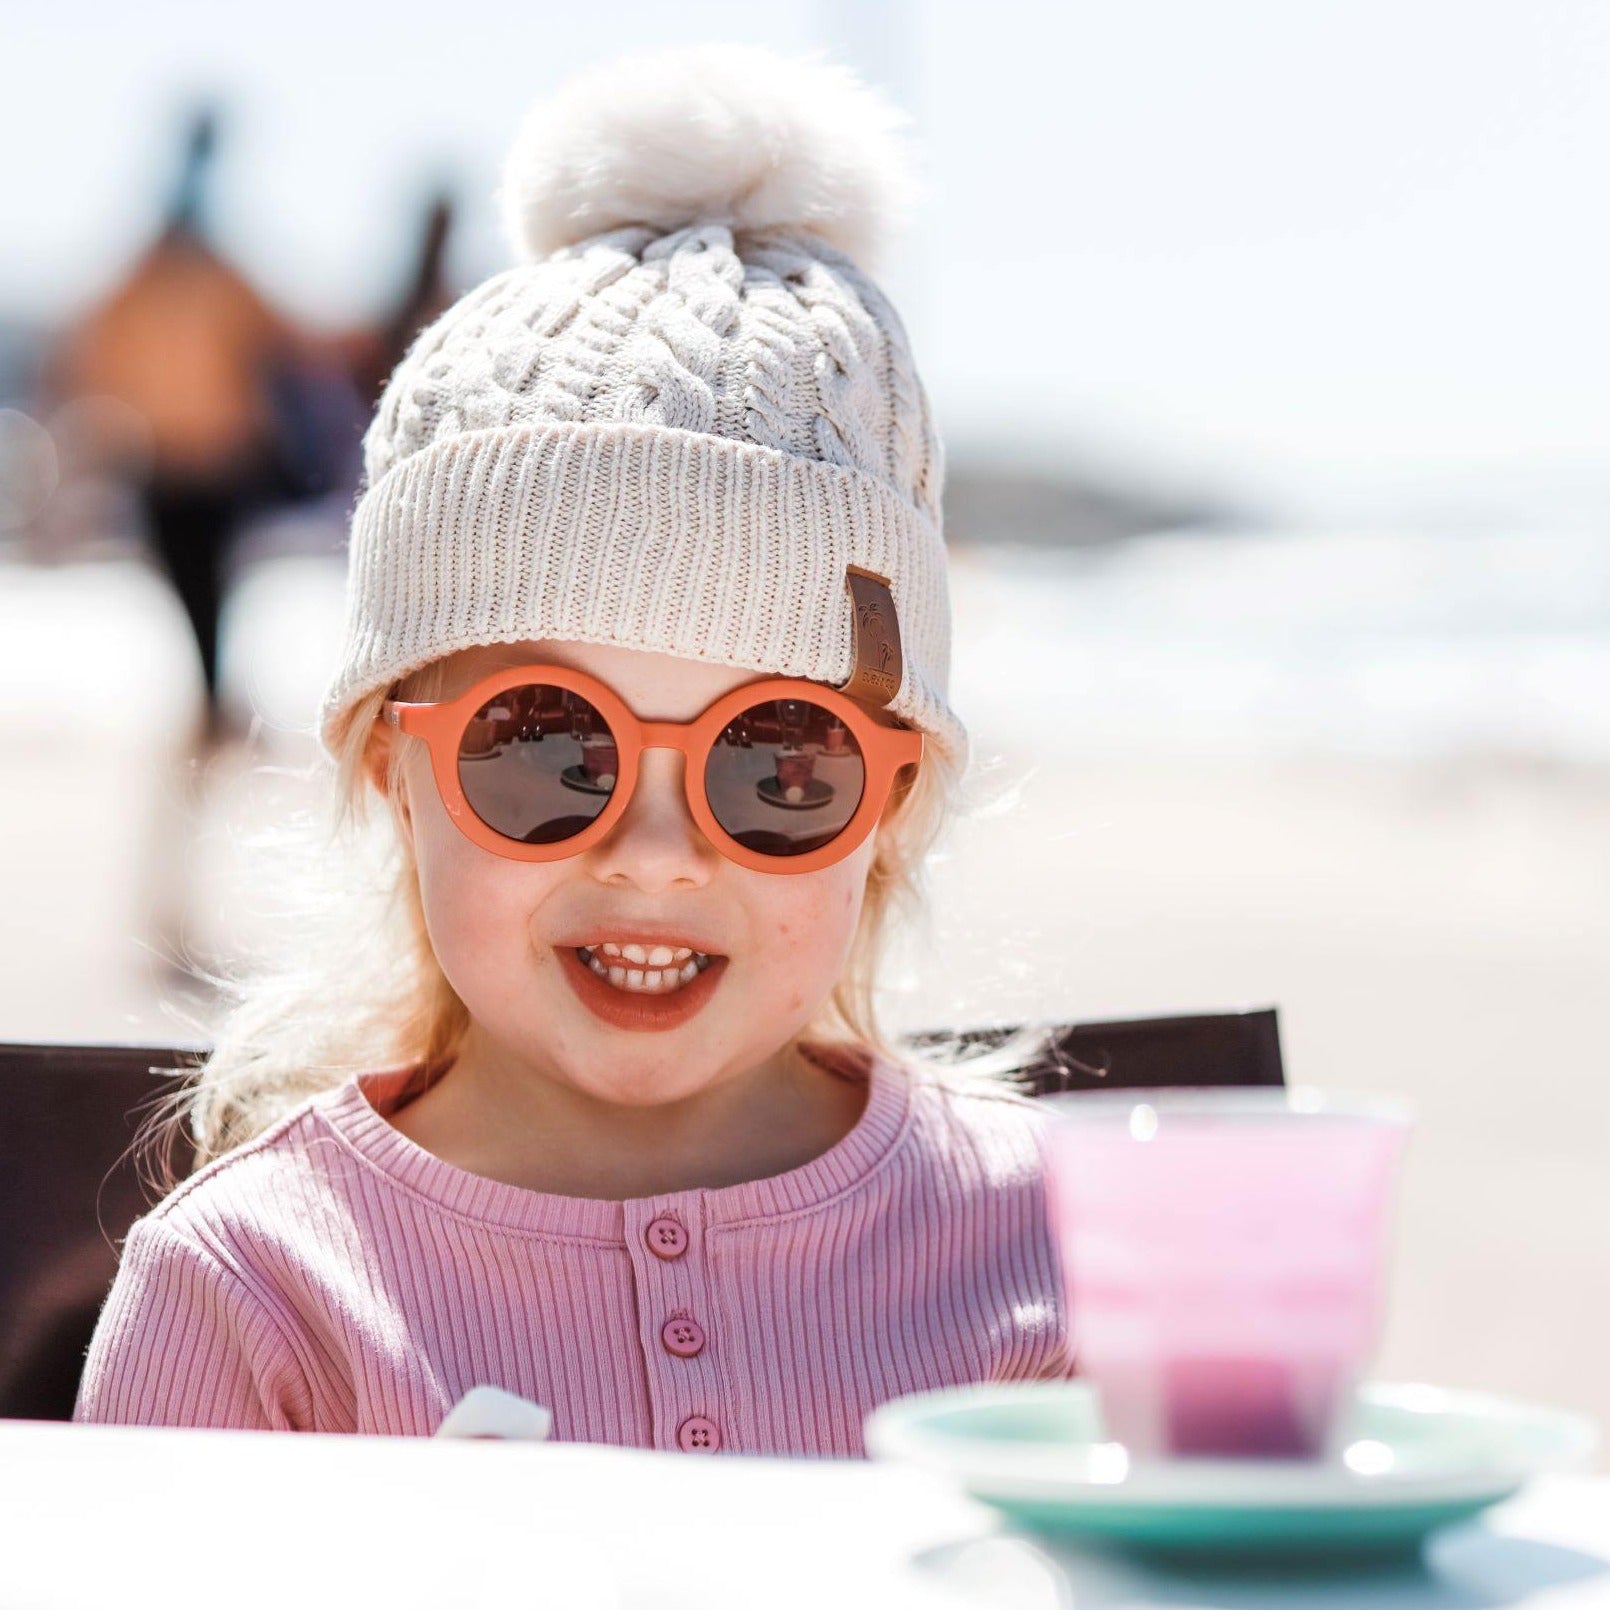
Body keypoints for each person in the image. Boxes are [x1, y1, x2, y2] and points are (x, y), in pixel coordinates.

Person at [72, 43, 1076, 1455]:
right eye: (545, 747)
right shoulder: (257, 1292)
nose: (655, 858)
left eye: (775, 764)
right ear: (390, 768)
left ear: (889, 803)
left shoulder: (1060, 1262)